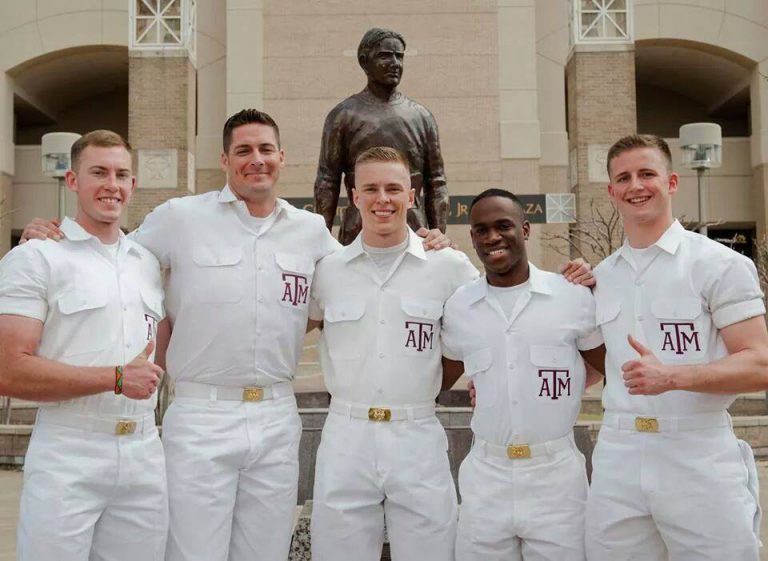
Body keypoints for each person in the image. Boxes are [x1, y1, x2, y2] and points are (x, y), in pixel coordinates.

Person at [18, 109, 450, 561]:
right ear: (225, 160)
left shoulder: (310, 233)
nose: (256, 159)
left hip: (276, 418)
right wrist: (54, 234)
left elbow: (362, 274)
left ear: (282, 158)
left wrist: (430, 246)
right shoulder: (180, 219)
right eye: (243, 150)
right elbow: (112, 255)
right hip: (201, 416)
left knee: (265, 552)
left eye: (266, 149)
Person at [586, 134, 768, 561]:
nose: (636, 186)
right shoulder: (601, 276)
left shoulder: (718, 264)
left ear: (671, 182)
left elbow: (759, 363)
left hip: (696, 453)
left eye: (647, 173)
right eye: (624, 177)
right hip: (619, 454)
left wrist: (672, 377)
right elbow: (593, 365)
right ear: (612, 191)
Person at [0, 130, 167, 561]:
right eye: (98, 172)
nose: (112, 184)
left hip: (143, 455)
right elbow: (8, 369)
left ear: (133, 185)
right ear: (72, 182)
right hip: (69, 453)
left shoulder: (145, 263)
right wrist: (114, 379)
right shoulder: (36, 258)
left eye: (121, 174)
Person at [307, 146, 478, 561]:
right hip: (346, 433)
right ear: (354, 195)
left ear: (412, 194)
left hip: (416, 433)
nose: (382, 199)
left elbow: (492, 327)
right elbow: (287, 329)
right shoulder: (326, 270)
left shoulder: (449, 267)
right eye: (371, 188)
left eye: (393, 188)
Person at [441, 188, 605, 561]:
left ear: (526, 229)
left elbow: (607, 365)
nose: (492, 237)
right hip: (486, 476)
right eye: (481, 230)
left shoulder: (571, 296)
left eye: (503, 226)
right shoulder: (460, 307)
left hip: (556, 477)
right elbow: (434, 382)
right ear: (472, 238)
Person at [314, 27, 448, 245]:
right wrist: (321, 240)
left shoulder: (421, 116)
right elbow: (326, 181)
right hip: (359, 228)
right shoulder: (343, 116)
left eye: (399, 57)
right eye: (385, 56)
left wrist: (438, 233)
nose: (395, 63)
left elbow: (437, 182)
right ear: (364, 61)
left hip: (415, 230)